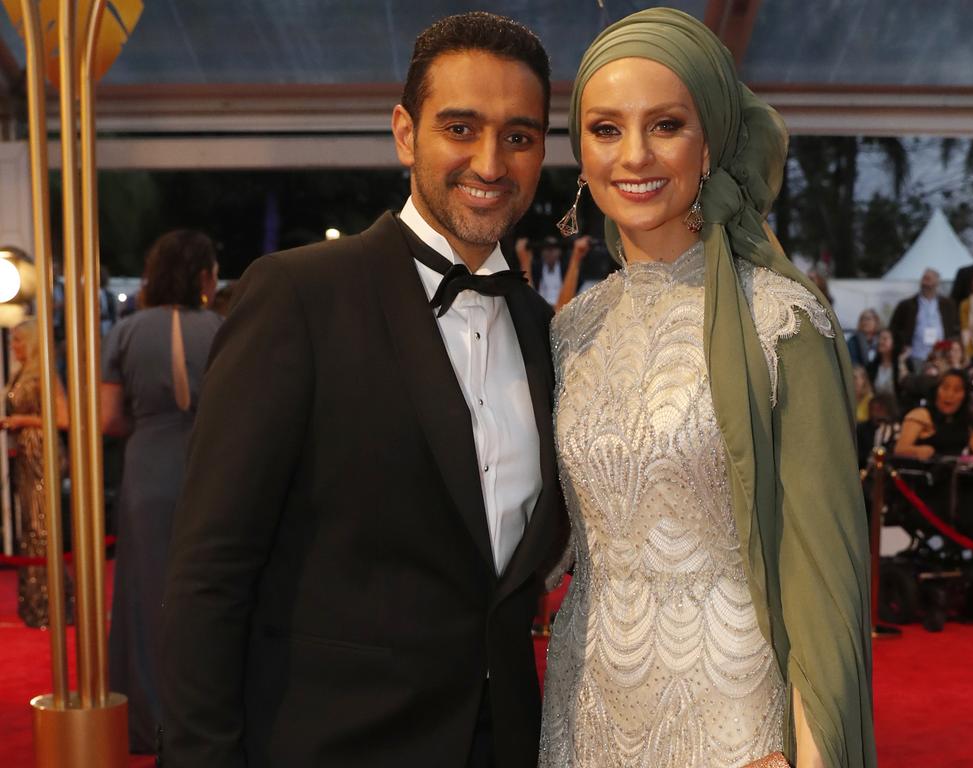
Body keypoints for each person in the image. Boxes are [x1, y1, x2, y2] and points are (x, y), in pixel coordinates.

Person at [159, 13, 565, 768]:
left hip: (500, 742)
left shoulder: (548, 332)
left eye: (519, 135)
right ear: (406, 134)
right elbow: (209, 574)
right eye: (459, 128)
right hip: (328, 744)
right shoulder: (298, 296)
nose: (489, 161)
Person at [540, 9, 874, 768]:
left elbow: (825, 578)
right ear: (580, 151)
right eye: (605, 129)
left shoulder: (781, 320)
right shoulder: (572, 330)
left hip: (735, 729)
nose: (633, 155)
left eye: (665, 124)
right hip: (586, 715)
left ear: (712, 140)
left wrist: (809, 755)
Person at [101, 230, 222, 752]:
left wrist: (147, 425)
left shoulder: (125, 331)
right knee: (210, 592)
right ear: (203, 276)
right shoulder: (222, 328)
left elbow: (107, 420)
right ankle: (203, 715)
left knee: (143, 592)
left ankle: (146, 720)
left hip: (147, 469)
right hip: (210, 470)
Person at [1, 318, 72, 628]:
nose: (13, 346)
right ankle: (38, 604)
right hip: (26, 455)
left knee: (43, 526)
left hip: (41, 453)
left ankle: (51, 604)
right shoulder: (22, 373)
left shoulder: (45, 373)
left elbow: (64, 418)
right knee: (33, 526)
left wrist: (21, 422)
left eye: (18, 341)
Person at [894, 370, 973, 461]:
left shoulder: (963, 421)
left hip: (954, 481)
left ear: (964, 396)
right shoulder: (920, 414)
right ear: (937, 391)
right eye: (945, 388)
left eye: (957, 390)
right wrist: (916, 451)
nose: (949, 394)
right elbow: (900, 449)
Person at [888, 268, 959, 370]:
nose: (925, 281)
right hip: (916, 355)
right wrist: (903, 345)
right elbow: (894, 329)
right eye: (924, 278)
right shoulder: (906, 305)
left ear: (937, 282)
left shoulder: (948, 305)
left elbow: (955, 329)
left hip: (941, 356)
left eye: (929, 278)